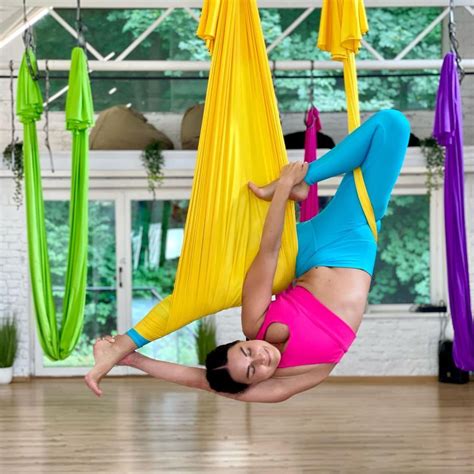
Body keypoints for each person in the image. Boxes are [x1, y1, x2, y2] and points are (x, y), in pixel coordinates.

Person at [85, 109, 410, 403]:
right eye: (252, 371)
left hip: (297, 253)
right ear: (252, 384)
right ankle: (124, 346)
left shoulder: (255, 321)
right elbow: (203, 382)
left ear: (238, 341)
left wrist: (283, 189)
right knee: (394, 127)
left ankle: (305, 177)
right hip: (350, 244)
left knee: (200, 291)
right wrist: (132, 361)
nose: (261, 358)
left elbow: (267, 254)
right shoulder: (292, 378)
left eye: (247, 351)